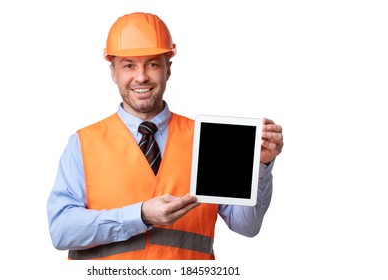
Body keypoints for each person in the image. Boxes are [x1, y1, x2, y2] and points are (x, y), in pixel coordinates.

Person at [47, 11, 283, 260]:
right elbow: (61, 231)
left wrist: (260, 166)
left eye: (152, 63)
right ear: (113, 72)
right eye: (129, 65)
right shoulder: (83, 144)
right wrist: (141, 216)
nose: (141, 77)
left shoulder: (207, 140)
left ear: (167, 69)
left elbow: (246, 226)